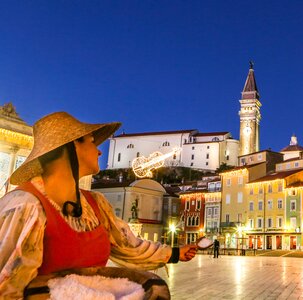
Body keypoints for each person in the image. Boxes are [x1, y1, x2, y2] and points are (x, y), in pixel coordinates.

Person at [0, 112, 198, 299]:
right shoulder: (24, 206)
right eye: (92, 142)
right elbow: (7, 286)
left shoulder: (95, 205)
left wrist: (175, 252)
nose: (99, 150)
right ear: (72, 146)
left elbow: (128, 246)